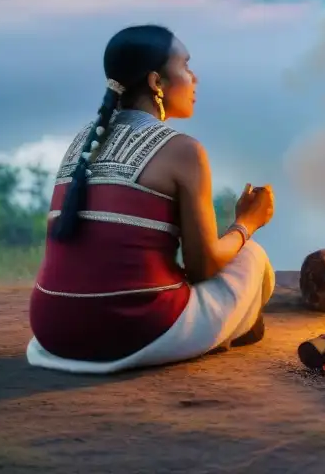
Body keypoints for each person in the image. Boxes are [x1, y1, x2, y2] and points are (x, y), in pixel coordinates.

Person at [27, 25, 277, 373]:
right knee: (251, 255)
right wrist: (247, 223)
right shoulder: (184, 151)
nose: (195, 78)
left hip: (52, 329)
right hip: (131, 329)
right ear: (157, 82)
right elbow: (203, 267)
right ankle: (236, 327)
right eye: (186, 66)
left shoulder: (83, 141)